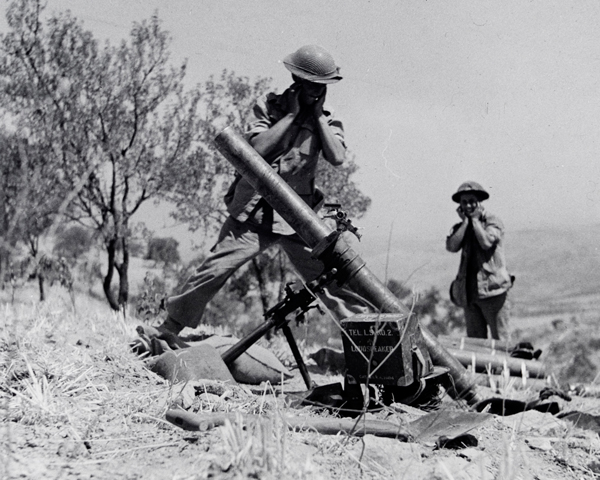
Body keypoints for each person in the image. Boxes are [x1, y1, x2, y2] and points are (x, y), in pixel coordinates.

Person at [155, 45, 370, 336]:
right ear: (297, 81)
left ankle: (374, 345)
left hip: (300, 219)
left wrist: (317, 117)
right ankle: (168, 329)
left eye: (323, 86)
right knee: (215, 269)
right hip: (255, 213)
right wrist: (292, 117)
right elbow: (256, 150)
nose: (318, 92)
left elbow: (338, 157)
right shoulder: (269, 107)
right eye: (312, 85)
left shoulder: (327, 120)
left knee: (332, 282)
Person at [446, 181, 514, 340]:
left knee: (501, 341)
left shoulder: (492, 221)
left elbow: (486, 243)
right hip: (470, 296)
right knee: (476, 345)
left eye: (471, 201)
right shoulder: (462, 227)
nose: (468, 206)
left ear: (479, 202)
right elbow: (452, 246)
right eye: (464, 202)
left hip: (493, 292)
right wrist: (465, 223)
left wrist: (475, 221)